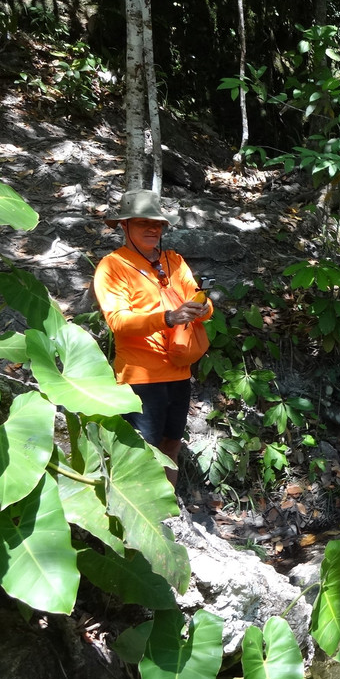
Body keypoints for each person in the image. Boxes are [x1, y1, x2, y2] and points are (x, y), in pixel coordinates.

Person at [93, 190, 212, 487]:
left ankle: (168, 514)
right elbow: (118, 321)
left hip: (178, 371)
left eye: (157, 224)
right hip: (140, 377)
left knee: (171, 443)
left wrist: (202, 307)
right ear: (124, 226)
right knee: (142, 451)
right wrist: (168, 317)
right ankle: (139, 516)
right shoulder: (112, 266)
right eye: (142, 222)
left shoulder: (174, 261)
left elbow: (203, 308)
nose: (151, 229)